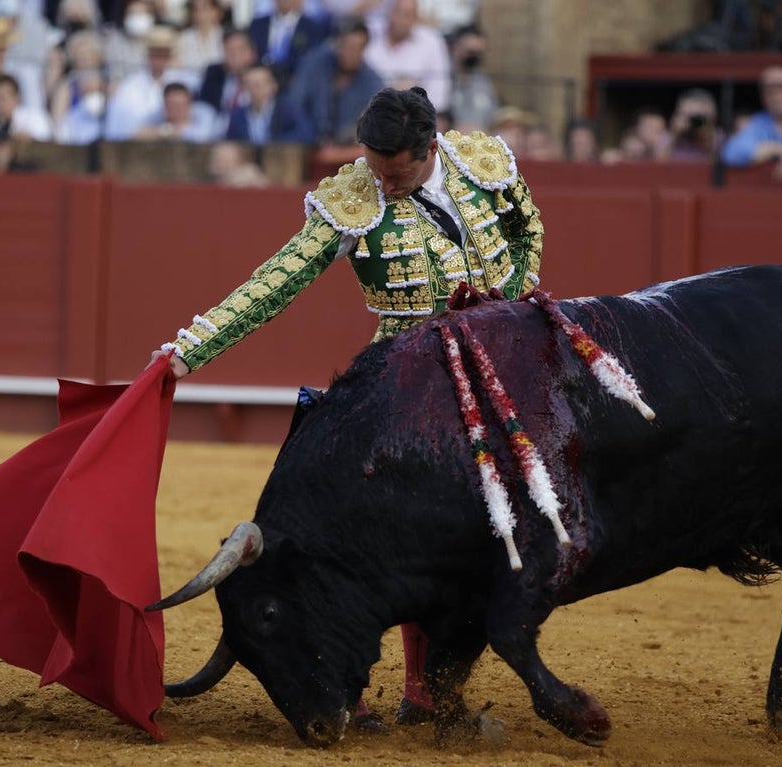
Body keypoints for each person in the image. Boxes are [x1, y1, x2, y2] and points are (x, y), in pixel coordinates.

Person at [155, 86, 543, 726]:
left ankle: (426, 691)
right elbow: (277, 278)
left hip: (499, 363)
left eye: (397, 171)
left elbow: (527, 228)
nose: (383, 183)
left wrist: (514, 298)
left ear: (431, 148)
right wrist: (189, 349)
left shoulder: (482, 162)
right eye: (374, 166)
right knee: (362, 532)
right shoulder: (352, 199)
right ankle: (346, 683)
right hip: (403, 379)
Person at [286, 14, 381, 159]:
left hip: (349, 154)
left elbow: (370, 127)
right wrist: (314, 140)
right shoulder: (314, 64)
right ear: (338, 44)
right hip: (307, 146)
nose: (349, 53)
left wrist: (340, 148)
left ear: (364, 49)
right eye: (345, 46)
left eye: (356, 48)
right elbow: (296, 104)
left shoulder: (372, 82)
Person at [364, 0, 450, 113]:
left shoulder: (432, 41)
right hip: (369, 112)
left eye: (407, 15)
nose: (399, 20)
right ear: (388, 12)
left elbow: (439, 96)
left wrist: (412, 97)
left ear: (416, 17)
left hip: (414, 115)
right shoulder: (369, 33)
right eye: (397, 12)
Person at [223, 62, 304, 143]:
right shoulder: (237, 116)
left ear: (273, 85)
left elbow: (301, 135)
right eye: (250, 84)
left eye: (259, 84)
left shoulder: (289, 109)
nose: (255, 90)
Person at [667, 88, 722, 161]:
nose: (692, 122)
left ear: (713, 116)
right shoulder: (670, 137)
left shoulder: (720, 137)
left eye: (698, 118)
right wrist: (675, 135)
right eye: (687, 115)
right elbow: (657, 163)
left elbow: (720, 165)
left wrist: (706, 136)